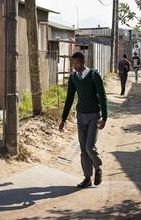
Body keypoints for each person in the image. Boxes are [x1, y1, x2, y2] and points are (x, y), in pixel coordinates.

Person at [59, 52, 107, 189]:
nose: (74, 67)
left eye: (76, 64)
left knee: (89, 147)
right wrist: (63, 119)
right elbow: (69, 98)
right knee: (83, 150)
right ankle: (87, 178)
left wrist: (104, 117)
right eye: (72, 64)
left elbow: (102, 97)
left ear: (83, 62)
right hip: (81, 116)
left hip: (93, 116)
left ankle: (98, 169)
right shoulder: (73, 78)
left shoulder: (93, 75)